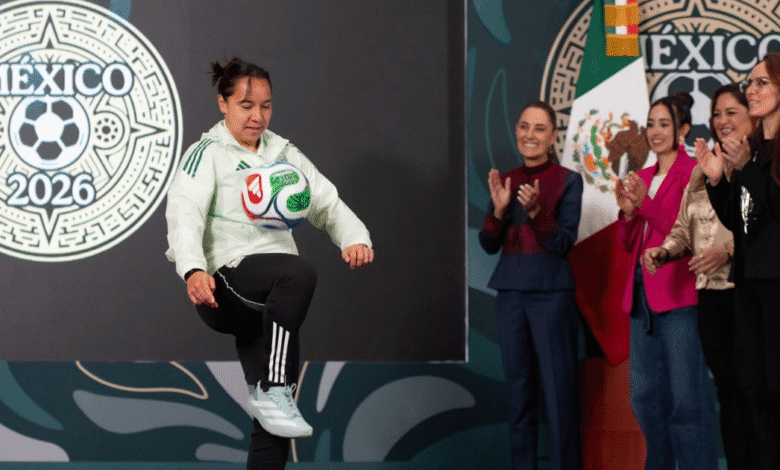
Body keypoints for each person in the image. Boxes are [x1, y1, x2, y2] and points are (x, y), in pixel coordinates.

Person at [165, 57, 374, 469]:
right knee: (299, 273)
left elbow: (325, 201)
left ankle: (272, 390)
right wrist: (192, 269)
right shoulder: (206, 153)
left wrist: (354, 238)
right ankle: (274, 385)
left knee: (276, 422)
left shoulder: (282, 153)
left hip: (273, 302)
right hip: (225, 282)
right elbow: (183, 211)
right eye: (246, 105)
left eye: (266, 105)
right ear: (223, 104)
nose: (257, 116)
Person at [644, 83, 751, 470]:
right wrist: (666, 251)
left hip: (751, 295)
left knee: (759, 394)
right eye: (717, 114)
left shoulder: (763, 162)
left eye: (731, 112)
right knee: (728, 395)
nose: (722, 121)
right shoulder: (702, 169)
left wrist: (729, 251)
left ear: (751, 114)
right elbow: (682, 228)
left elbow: (769, 230)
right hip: (711, 298)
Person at [615, 92, 718, 470]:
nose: (655, 132)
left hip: (679, 298)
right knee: (643, 397)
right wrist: (627, 215)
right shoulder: (641, 176)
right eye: (651, 124)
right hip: (640, 301)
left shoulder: (694, 171)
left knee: (686, 401)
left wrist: (643, 206)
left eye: (664, 124)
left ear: (684, 129)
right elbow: (626, 241)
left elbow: (686, 232)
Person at [479, 101, 583, 470]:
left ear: (554, 137)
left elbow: (563, 242)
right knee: (519, 396)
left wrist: (538, 212)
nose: (530, 135)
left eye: (539, 129)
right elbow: (489, 244)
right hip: (510, 296)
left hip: (552, 296)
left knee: (559, 397)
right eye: (524, 126)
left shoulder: (569, 180)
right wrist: (499, 211)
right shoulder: (504, 180)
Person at [702, 52, 780, 470]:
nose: (752, 90)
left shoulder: (761, 156)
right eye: (749, 83)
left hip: (777, 285)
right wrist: (718, 181)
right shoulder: (755, 151)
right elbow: (741, 220)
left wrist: (745, 168)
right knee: (754, 393)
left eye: (762, 82)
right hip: (748, 283)